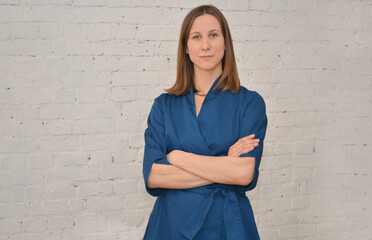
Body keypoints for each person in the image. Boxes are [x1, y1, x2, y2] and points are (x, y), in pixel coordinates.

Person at [142, 5, 268, 240]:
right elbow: (154, 176)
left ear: (225, 42)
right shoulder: (164, 106)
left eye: (213, 35)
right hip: (171, 224)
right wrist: (225, 165)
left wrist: (178, 157)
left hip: (225, 224)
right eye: (196, 37)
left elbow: (243, 174)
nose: (205, 45)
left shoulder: (249, 103)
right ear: (186, 48)